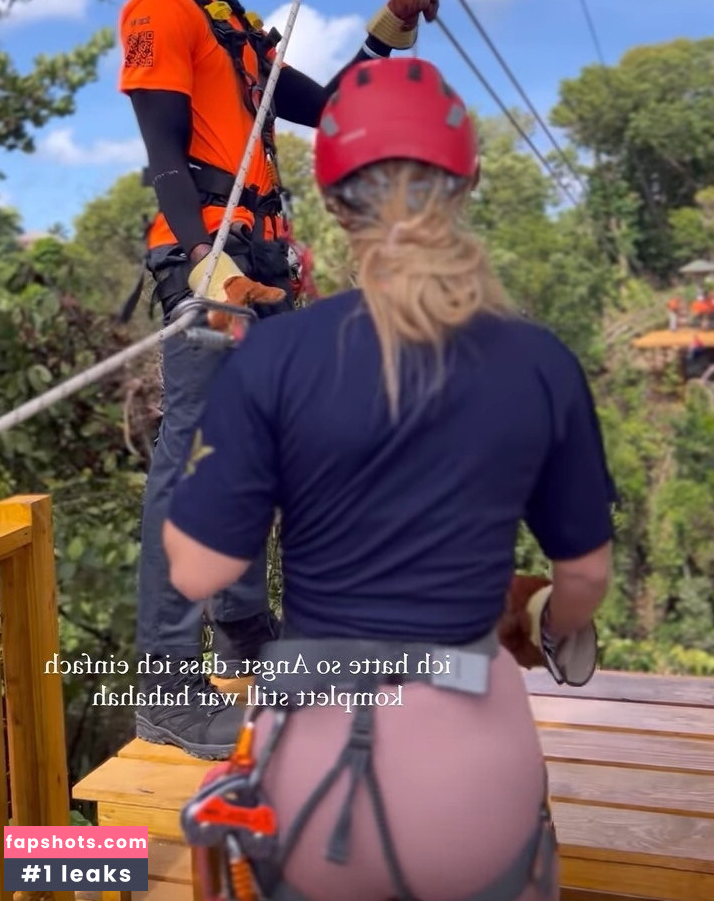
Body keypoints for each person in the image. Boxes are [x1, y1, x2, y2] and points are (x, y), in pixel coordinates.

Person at [164, 56, 616, 901]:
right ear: (468, 180)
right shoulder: (539, 363)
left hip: (312, 767)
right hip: (476, 776)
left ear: (333, 203)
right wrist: (551, 615)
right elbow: (586, 577)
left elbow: (196, 571)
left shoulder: (275, 358)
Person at [117, 0, 441, 758]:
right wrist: (199, 259)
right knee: (192, 466)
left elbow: (335, 104)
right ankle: (166, 689)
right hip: (212, 267)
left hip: (265, 270)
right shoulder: (162, 7)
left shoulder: (240, 33)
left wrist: (386, 26)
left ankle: (250, 634)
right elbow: (165, 154)